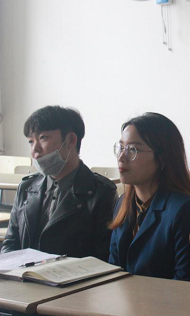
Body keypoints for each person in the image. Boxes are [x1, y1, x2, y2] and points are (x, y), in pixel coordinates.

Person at [1, 106, 117, 260]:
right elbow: (11, 243)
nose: (35, 149)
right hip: (23, 274)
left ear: (71, 140)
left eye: (43, 137)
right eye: (30, 141)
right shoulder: (27, 187)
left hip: (74, 275)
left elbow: (102, 256)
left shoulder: (101, 192)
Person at [108, 112, 190, 281]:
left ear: (162, 159)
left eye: (133, 149)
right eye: (121, 147)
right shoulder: (123, 203)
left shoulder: (184, 210)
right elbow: (114, 271)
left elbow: (187, 283)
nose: (121, 157)